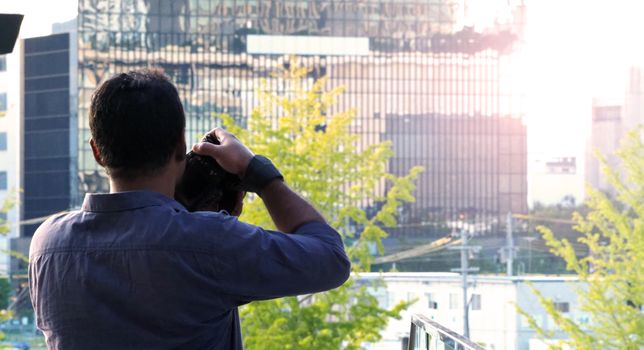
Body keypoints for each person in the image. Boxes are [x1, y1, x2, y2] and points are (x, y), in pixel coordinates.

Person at [28, 69, 351, 350]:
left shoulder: (47, 245)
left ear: (98, 152)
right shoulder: (210, 242)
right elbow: (330, 257)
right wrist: (257, 172)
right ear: (181, 147)